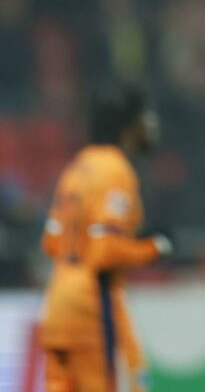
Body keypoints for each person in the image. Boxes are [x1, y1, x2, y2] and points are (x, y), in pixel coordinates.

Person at [40, 84, 172, 392]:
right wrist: (154, 247)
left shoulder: (78, 167)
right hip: (91, 310)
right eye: (145, 116)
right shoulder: (116, 170)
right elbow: (104, 252)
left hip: (57, 306)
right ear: (128, 125)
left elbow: (51, 242)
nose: (151, 125)